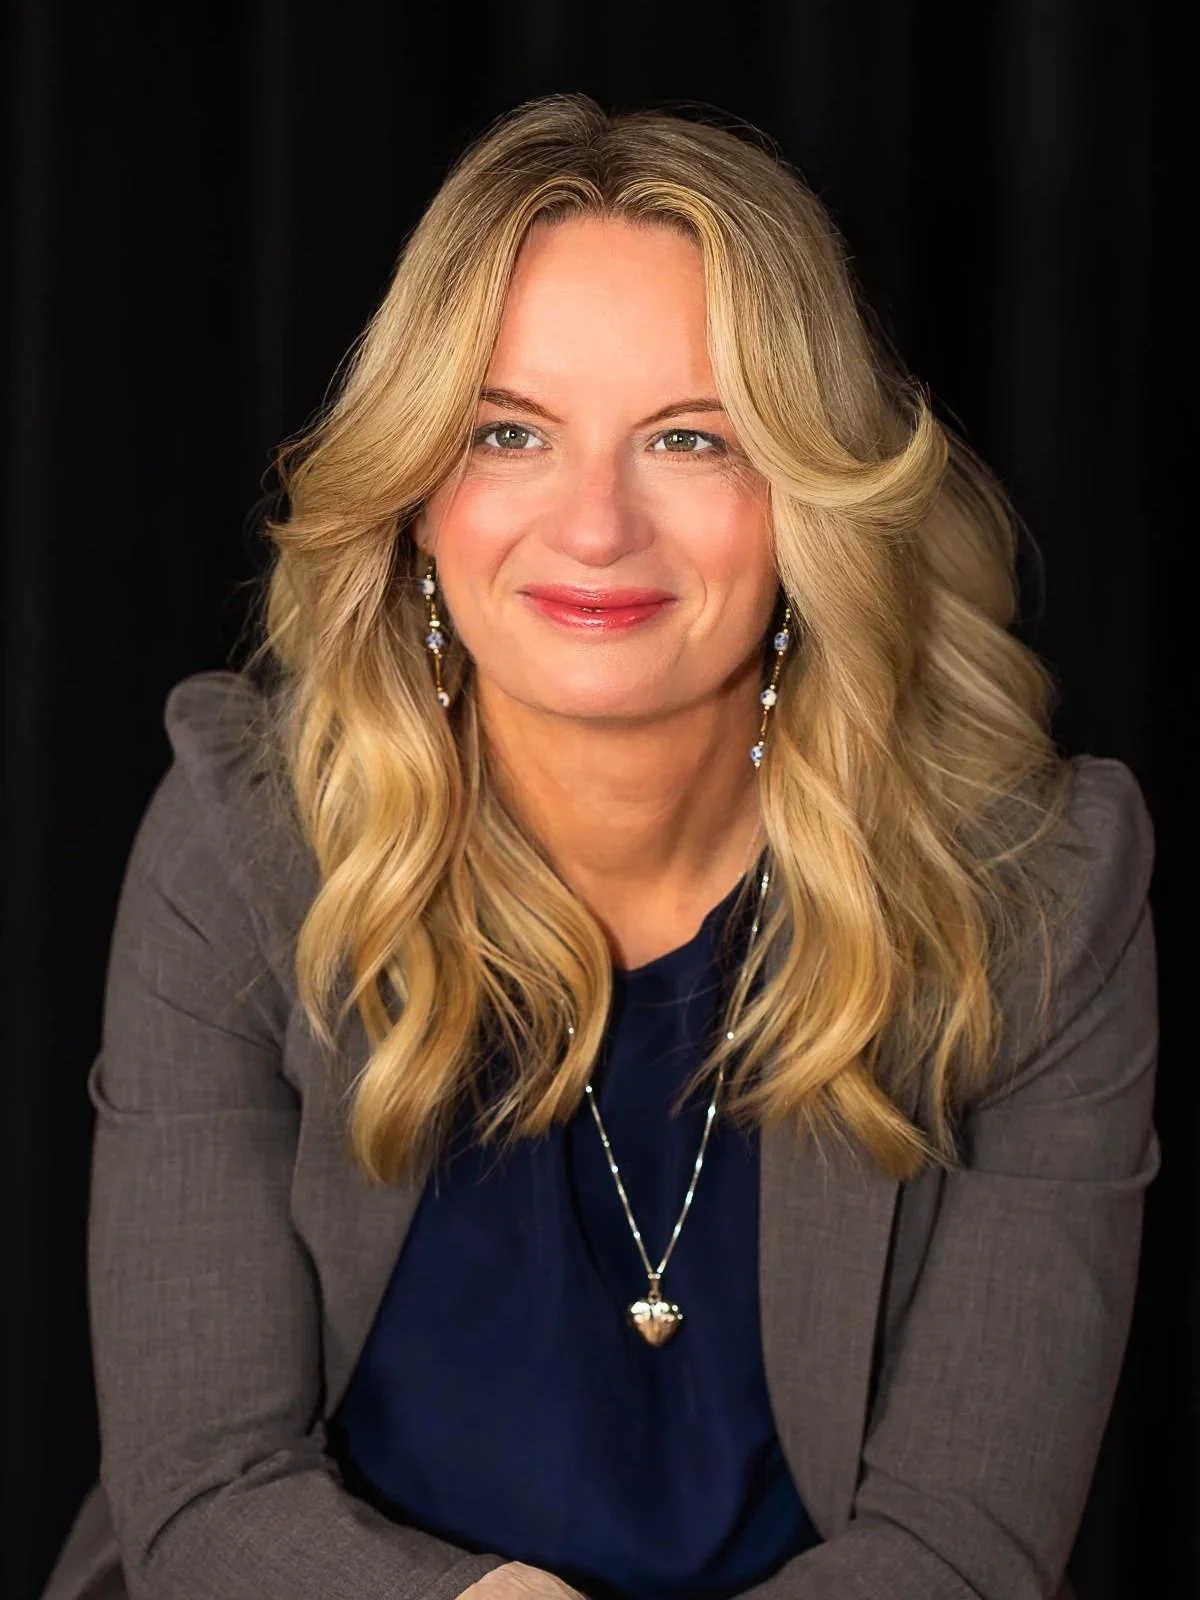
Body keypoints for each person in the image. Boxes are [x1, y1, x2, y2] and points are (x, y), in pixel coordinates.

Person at [42, 93, 1159, 1600]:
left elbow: (961, 1550)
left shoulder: (1038, 891)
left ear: (808, 502)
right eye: (509, 432)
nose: (592, 526)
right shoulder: (247, 845)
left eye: (691, 439)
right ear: (419, 494)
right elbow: (202, 1495)